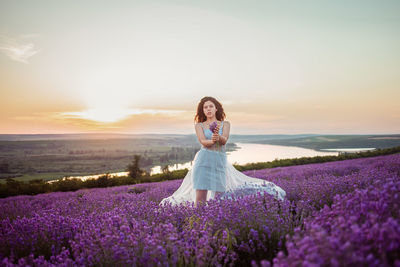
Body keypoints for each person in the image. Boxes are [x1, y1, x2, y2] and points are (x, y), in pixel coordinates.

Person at [159, 96, 286, 208]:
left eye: (211, 106)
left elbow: (224, 140)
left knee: (219, 197)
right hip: (203, 161)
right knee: (200, 197)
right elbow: (203, 141)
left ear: (216, 109)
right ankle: (199, 224)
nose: (208, 109)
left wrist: (218, 137)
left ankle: (215, 220)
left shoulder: (225, 124)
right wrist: (213, 140)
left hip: (219, 161)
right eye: (205, 107)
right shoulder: (199, 125)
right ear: (202, 110)